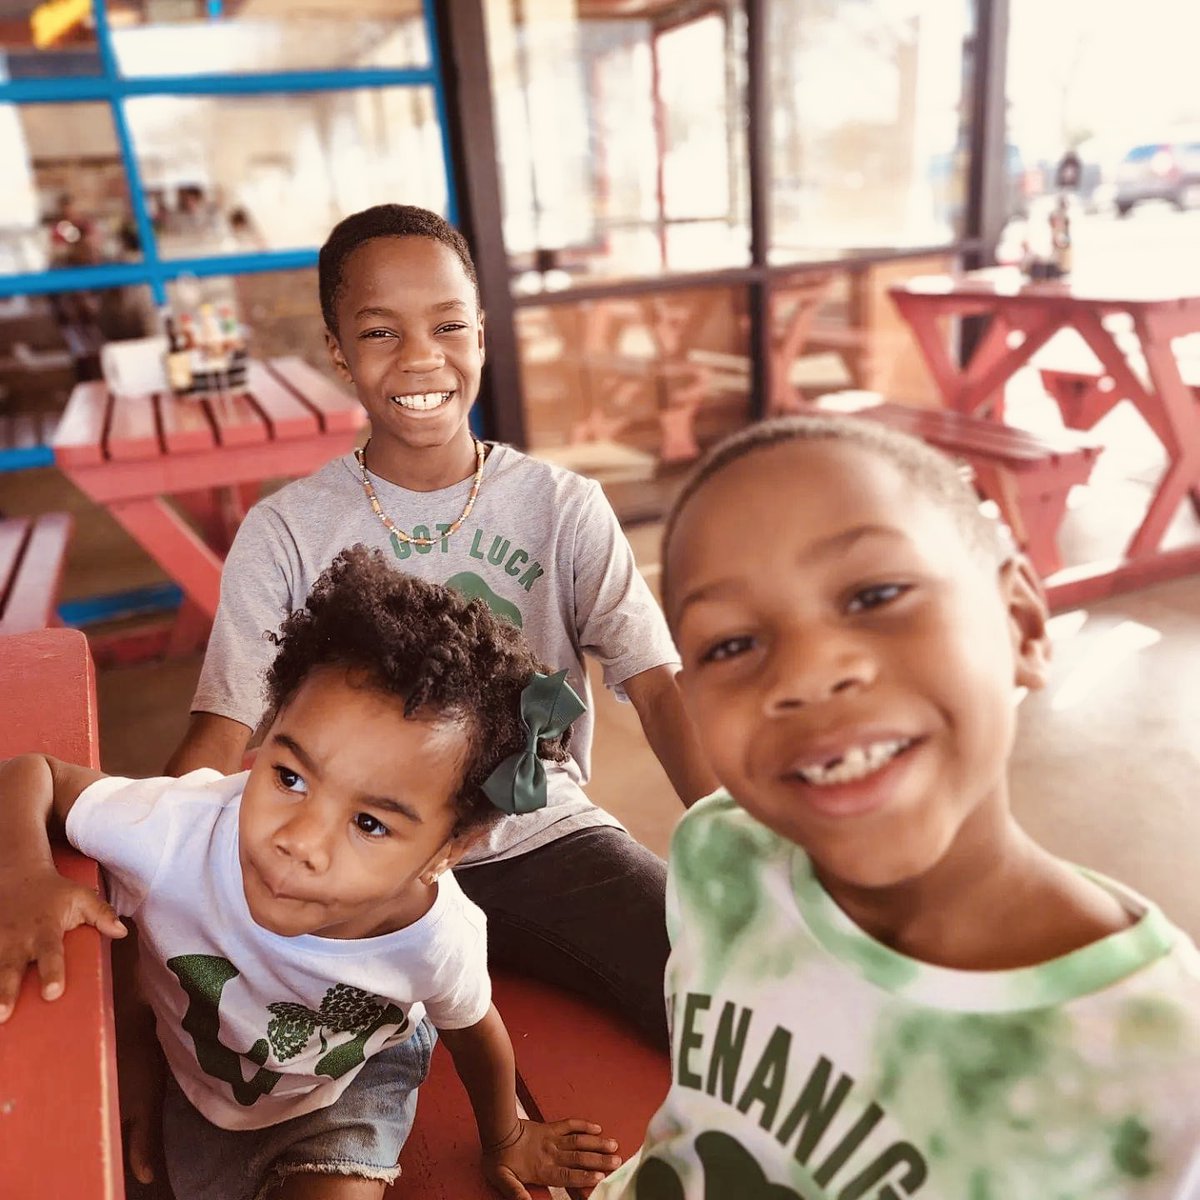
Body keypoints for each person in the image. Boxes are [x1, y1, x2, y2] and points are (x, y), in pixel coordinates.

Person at [591, 414, 1200, 1198]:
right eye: (730, 644)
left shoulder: (1157, 1066)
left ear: (1021, 623)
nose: (807, 673)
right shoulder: (720, 855)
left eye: (875, 594)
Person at [165, 203, 716, 1047]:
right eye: (381, 332)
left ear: (483, 336)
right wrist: (158, 868)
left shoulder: (562, 507)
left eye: (448, 324)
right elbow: (221, 730)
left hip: (537, 841)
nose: (422, 357)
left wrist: (739, 846)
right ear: (338, 352)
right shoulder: (286, 531)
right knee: (237, 1045)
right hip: (352, 855)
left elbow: (658, 685)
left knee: (712, 993)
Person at [0, 548, 621, 1200]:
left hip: (346, 1086)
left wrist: (506, 1139)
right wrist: (22, 874)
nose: (299, 842)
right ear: (269, 733)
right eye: (290, 777)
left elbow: (476, 1028)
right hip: (194, 1075)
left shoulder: (434, 937)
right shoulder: (176, 829)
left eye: (371, 824)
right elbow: (31, 774)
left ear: (448, 851)